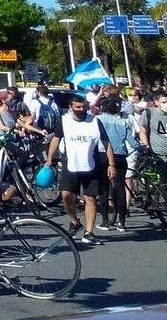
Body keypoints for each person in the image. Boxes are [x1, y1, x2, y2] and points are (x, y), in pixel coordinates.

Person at [46, 95, 116, 245]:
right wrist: (49, 158)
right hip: (71, 163)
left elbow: (106, 142)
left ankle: (89, 232)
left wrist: (111, 164)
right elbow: (56, 139)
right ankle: (74, 221)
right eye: (77, 107)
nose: (81, 109)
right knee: (66, 195)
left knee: (90, 198)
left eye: (83, 106)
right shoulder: (63, 121)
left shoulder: (95, 121)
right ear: (70, 107)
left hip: (91, 164)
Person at [96, 94, 135, 231]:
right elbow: (132, 142)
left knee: (103, 188)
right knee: (120, 188)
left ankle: (105, 220)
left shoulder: (97, 120)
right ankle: (122, 222)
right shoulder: (122, 122)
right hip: (120, 156)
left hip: (102, 155)